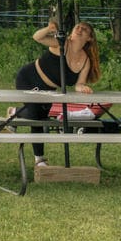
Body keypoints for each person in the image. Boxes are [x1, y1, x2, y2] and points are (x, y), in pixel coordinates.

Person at [12, 20, 101, 167]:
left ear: (89, 38)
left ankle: (15, 112)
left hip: (48, 90)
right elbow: (37, 37)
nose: (79, 29)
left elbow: (79, 84)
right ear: (72, 31)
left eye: (84, 29)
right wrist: (49, 28)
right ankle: (39, 159)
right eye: (77, 26)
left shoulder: (85, 60)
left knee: (41, 117)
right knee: (35, 115)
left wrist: (83, 88)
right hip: (29, 77)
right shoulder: (62, 44)